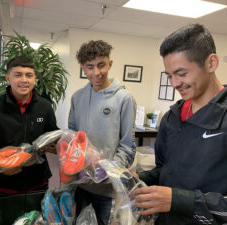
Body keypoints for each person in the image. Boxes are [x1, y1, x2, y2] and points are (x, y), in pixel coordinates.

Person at [133, 24, 227, 224]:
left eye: (181, 73)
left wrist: (179, 200)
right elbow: (165, 169)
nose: (174, 83)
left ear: (211, 63)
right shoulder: (172, 118)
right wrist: (139, 179)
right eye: (169, 76)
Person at [68, 40, 137, 225]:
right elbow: (74, 138)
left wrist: (110, 172)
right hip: (80, 184)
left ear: (110, 64)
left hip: (107, 190)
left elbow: (128, 146)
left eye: (101, 65)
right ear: (83, 68)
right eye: (90, 67)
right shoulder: (77, 97)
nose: (96, 73)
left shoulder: (124, 99)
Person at [0, 56, 58, 204]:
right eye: (18, 75)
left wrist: (58, 144)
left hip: (38, 183)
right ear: (8, 78)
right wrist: (1, 169)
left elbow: (52, 136)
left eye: (29, 75)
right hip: (3, 186)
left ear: (35, 79)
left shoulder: (45, 107)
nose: (24, 80)